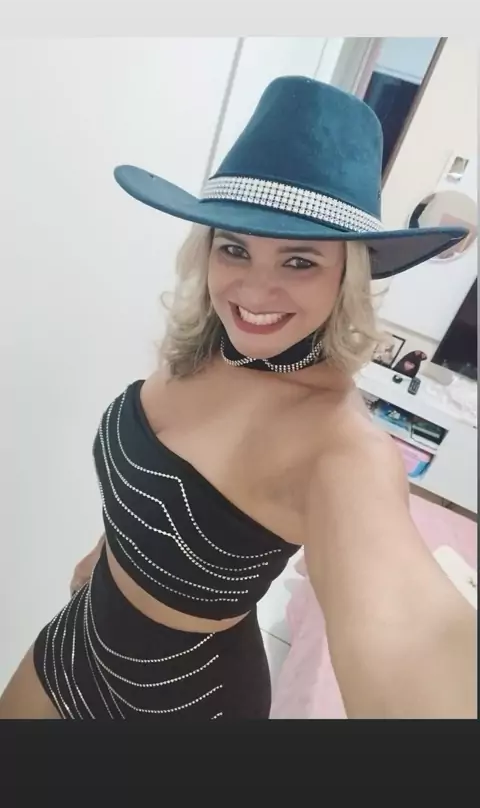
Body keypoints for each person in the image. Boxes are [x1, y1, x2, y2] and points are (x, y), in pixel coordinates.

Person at [0, 77, 476, 720]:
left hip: (188, 706)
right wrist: (106, 551)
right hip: (79, 636)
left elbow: (411, 635)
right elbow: (153, 478)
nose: (253, 290)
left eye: (299, 261)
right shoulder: (205, 348)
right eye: (234, 249)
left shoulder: (343, 450)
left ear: (347, 274)